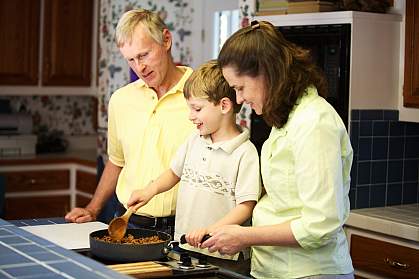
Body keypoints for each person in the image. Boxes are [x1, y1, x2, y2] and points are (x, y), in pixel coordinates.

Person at [201, 20, 354, 279]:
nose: (239, 99)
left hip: (309, 272)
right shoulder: (286, 118)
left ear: (266, 72)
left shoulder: (314, 122)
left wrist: (245, 236)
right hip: (274, 269)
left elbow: (321, 224)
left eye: (240, 88)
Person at [65, 8, 195, 237]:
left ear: (166, 40)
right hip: (127, 222)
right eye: (131, 60)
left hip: (186, 226)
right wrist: (93, 208)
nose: (139, 67)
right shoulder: (121, 100)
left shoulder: (200, 96)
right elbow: (116, 162)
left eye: (144, 55)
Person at [127, 60, 261, 275]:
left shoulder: (245, 153)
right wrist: (149, 191)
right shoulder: (194, 140)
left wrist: (211, 230)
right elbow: (173, 173)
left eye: (197, 108)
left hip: (225, 255)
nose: (191, 116)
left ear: (224, 106)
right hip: (187, 248)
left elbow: (246, 206)